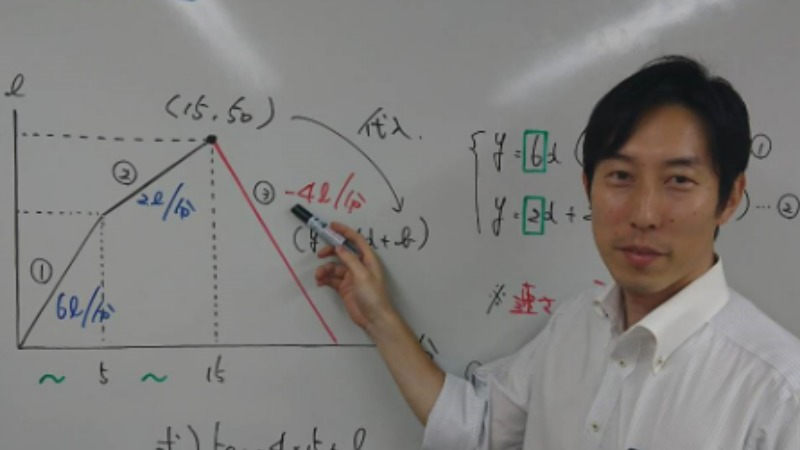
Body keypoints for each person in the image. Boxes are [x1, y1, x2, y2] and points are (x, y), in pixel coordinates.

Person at [314, 55, 800, 449]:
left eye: (679, 180)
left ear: (730, 198)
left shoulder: (779, 393)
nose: (645, 213)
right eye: (621, 177)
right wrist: (378, 316)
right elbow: (478, 429)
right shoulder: (576, 326)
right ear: (588, 186)